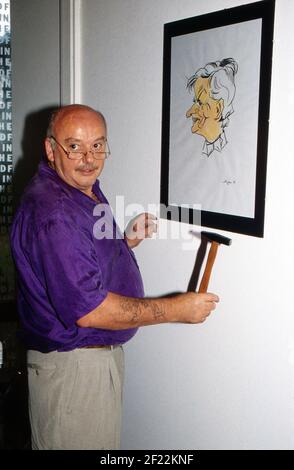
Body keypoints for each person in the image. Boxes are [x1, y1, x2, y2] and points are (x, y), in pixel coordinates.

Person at [10, 104, 219, 450]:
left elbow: (78, 260)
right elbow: (90, 309)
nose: (88, 158)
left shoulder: (79, 189)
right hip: (75, 371)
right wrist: (176, 309)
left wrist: (125, 241)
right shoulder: (55, 213)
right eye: (74, 146)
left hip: (86, 364)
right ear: (50, 149)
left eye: (98, 145)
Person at [186, 58, 238, 157]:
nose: (189, 112)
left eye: (200, 103)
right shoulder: (190, 154)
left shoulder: (235, 151)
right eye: (195, 101)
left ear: (218, 109)